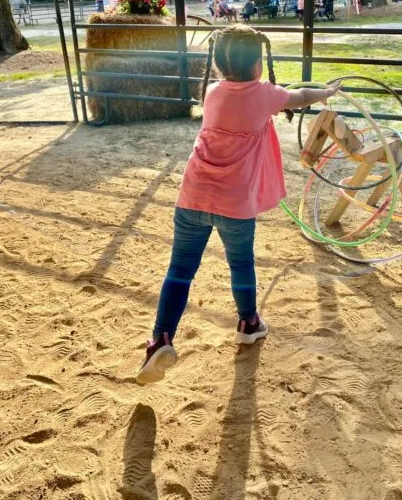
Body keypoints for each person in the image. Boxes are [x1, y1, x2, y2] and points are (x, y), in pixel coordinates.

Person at [136, 25, 340, 384]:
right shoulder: (265, 96)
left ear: (217, 65)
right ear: (259, 64)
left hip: (193, 196)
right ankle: (248, 322)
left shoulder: (212, 93)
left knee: (179, 272)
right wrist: (326, 92)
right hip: (235, 204)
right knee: (241, 264)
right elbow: (300, 95)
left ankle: (160, 339)